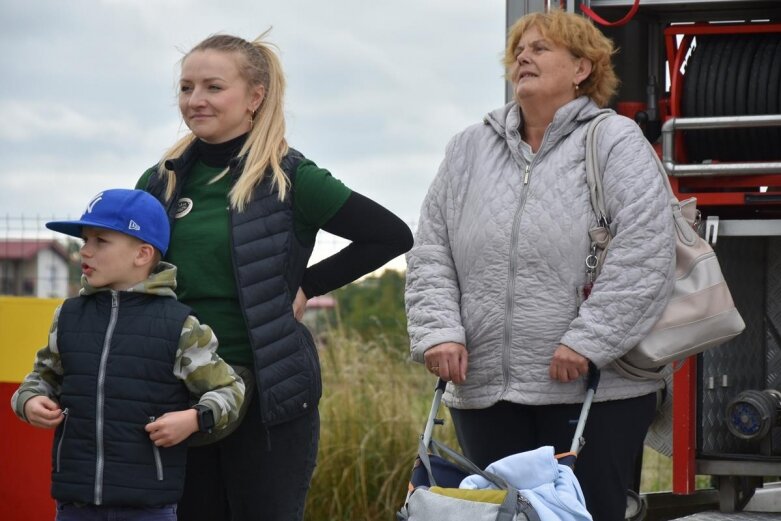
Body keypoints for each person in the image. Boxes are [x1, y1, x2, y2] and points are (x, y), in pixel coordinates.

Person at [405, 10, 675, 521]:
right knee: (492, 516)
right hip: (484, 388)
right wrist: (439, 331)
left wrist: (588, 341)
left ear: (581, 69)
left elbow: (645, 251)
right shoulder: (468, 147)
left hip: (594, 386)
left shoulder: (614, 140)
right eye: (519, 50)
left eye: (541, 48)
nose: (523, 57)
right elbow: (431, 248)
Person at [135, 32, 413, 521]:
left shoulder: (290, 177)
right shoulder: (160, 181)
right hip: (181, 394)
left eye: (213, 87)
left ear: (255, 97)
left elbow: (390, 236)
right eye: (186, 87)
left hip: (269, 397)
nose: (195, 100)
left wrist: (306, 286)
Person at [10, 189, 245, 521]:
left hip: (148, 508)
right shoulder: (69, 316)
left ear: (143, 254)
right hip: (74, 504)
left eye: (100, 241)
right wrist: (29, 401)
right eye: (84, 240)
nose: (84, 251)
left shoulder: (180, 325)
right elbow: (40, 379)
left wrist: (194, 419)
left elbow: (231, 391)